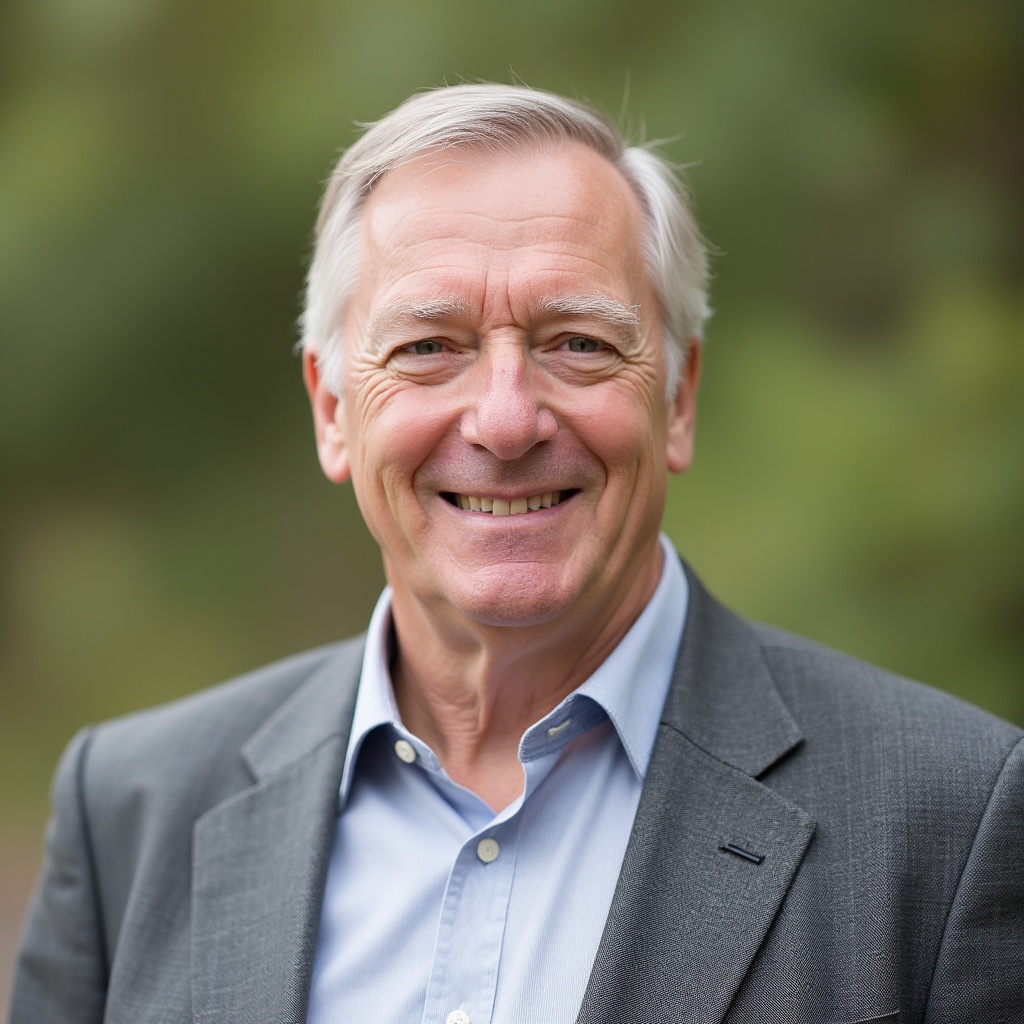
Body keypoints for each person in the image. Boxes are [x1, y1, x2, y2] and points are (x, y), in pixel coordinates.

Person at [11, 84, 1023, 1024]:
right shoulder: (129, 814)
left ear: (675, 396)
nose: (503, 420)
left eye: (578, 341)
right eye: (427, 347)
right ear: (331, 408)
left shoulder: (948, 820)